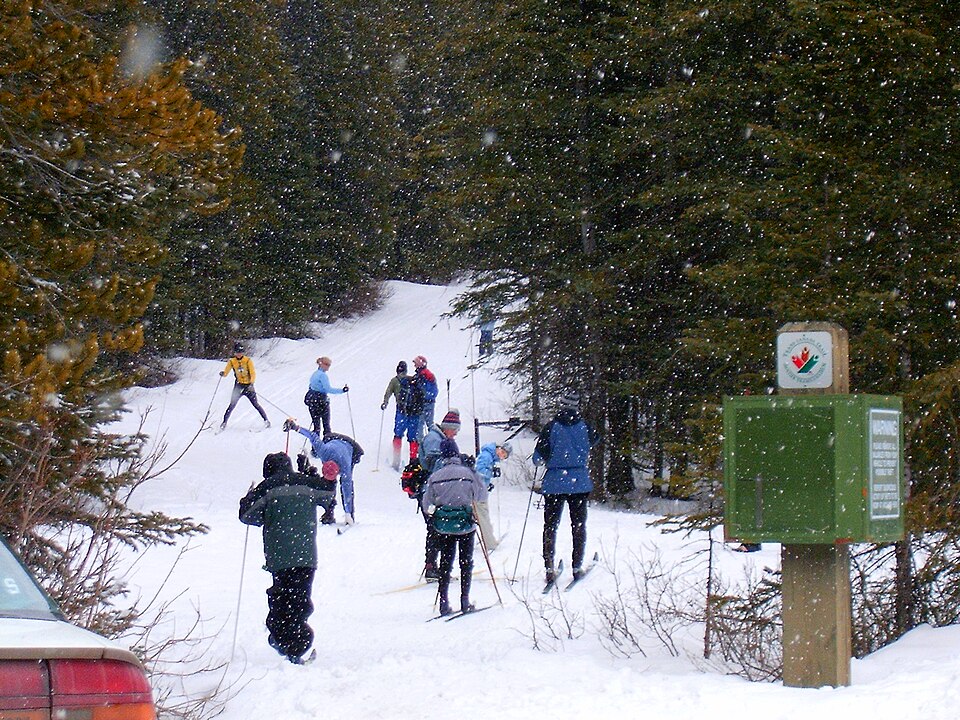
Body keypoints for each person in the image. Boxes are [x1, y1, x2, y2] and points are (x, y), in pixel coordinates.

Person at [238, 452, 335, 664]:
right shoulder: (305, 483)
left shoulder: (267, 488)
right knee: (299, 601)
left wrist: (248, 498)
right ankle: (294, 644)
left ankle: (285, 641)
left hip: (279, 557)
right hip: (305, 555)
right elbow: (328, 495)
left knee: (282, 600)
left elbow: (247, 515)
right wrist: (316, 474)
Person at [532, 391, 600, 584]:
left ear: (561, 405)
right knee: (578, 525)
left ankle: (549, 567)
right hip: (579, 482)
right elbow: (595, 440)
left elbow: (538, 458)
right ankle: (577, 566)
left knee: (550, 526)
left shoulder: (551, 428)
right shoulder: (585, 427)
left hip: (554, 482)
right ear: (577, 406)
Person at [420, 438, 488, 615]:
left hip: (444, 526)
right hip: (465, 524)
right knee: (466, 562)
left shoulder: (435, 477)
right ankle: (464, 600)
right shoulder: (468, 473)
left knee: (445, 561)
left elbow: (426, 504)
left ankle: (444, 602)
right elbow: (481, 495)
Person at [284, 420, 363, 525]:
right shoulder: (323, 452)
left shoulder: (345, 468)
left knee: (345, 485)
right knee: (329, 484)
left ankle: (350, 516)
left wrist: (348, 512)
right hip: (333, 438)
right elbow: (312, 436)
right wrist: (296, 427)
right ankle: (330, 511)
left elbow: (347, 489)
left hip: (352, 448)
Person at [417, 408, 462, 580]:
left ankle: (433, 566)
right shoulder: (434, 439)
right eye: (455, 430)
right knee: (437, 530)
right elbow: (434, 466)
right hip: (432, 492)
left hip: (437, 492)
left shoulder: (440, 438)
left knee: (437, 529)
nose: (456, 434)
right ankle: (433, 568)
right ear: (447, 427)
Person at [381, 361, 423, 470]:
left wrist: (385, 403)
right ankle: (413, 461)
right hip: (414, 413)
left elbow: (388, 393)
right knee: (412, 437)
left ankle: (396, 460)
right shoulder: (411, 381)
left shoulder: (394, 381)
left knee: (398, 435)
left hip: (401, 412)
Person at [219, 343, 270, 430]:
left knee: (255, 404)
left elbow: (253, 373)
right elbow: (226, 372)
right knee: (232, 405)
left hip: (248, 386)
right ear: (234, 353)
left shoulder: (247, 361)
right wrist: (223, 374)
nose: (239, 354)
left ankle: (266, 420)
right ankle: (224, 423)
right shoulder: (232, 361)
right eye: (237, 352)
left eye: (241, 352)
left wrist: (251, 383)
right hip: (238, 386)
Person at [473, 441, 512, 553]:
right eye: (502, 452)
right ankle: (489, 542)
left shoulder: (490, 456)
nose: (502, 456)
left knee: (482, 514)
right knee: (483, 515)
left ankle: (488, 538)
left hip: (480, 490)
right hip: (477, 492)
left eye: (504, 456)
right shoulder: (487, 455)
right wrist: (491, 473)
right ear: (499, 448)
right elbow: (478, 471)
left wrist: (487, 483)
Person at [304, 356, 348, 436]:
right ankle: (327, 443)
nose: (328, 367)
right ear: (322, 364)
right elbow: (328, 389)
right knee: (326, 425)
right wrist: (342, 391)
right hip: (321, 401)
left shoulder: (315, 374)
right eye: (327, 364)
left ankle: (315, 446)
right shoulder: (323, 376)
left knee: (316, 426)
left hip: (312, 401)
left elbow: (311, 386)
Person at [412, 356, 438, 437]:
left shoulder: (423, 375)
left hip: (423, 404)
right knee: (430, 424)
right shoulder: (427, 374)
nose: (414, 366)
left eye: (415, 364)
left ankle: (422, 446)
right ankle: (433, 441)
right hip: (429, 403)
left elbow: (423, 390)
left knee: (419, 426)